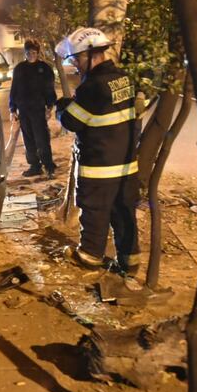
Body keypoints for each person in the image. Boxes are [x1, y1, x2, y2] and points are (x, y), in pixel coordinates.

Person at [54, 27, 140, 275]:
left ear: (92, 54)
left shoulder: (92, 87)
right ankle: (130, 261)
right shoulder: (124, 79)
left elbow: (71, 121)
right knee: (123, 213)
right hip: (125, 166)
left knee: (95, 210)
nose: (77, 66)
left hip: (100, 165)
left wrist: (62, 106)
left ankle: (90, 255)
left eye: (78, 59)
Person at [8, 39, 57, 178]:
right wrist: (12, 109)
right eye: (28, 52)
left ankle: (48, 165)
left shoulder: (44, 69)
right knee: (28, 139)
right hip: (23, 110)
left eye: (34, 52)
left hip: (38, 110)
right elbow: (14, 89)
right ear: (25, 52)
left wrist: (50, 106)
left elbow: (49, 89)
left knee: (42, 139)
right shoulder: (19, 69)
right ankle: (35, 166)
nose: (31, 55)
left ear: (38, 53)